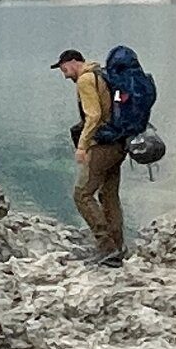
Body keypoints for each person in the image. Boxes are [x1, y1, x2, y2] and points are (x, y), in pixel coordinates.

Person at [52, 47, 125, 265]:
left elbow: (94, 115)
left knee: (82, 194)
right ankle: (118, 248)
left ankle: (106, 246)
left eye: (63, 68)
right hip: (119, 143)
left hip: (102, 145)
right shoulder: (101, 74)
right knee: (109, 195)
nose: (63, 74)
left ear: (74, 62)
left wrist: (82, 146)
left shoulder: (85, 80)